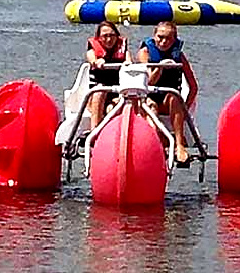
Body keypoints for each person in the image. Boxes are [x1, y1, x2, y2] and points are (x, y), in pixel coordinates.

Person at [136, 21, 199, 165]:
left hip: (169, 100)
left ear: (174, 40)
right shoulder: (145, 53)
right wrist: (160, 68)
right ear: (154, 36)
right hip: (149, 98)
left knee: (174, 97)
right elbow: (148, 82)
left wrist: (186, 110)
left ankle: (179, 144)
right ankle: (156, 144)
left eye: (168, 39)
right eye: (160, 37)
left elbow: (193, 87)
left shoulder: (179, 56)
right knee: (151, 106)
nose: (163, 42)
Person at [85, 21, 128, 129]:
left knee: (112, 107)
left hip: (115, 95)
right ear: (98, 38)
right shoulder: (92, 50)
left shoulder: (123, 49)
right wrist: (96, 62)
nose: (109, 39)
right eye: (105, 36)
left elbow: (129, 61)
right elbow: (91, 58)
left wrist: (127, 64)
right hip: (95, 96)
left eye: (112, 35)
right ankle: (94, 132)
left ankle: (114, 136)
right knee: (100, 92)